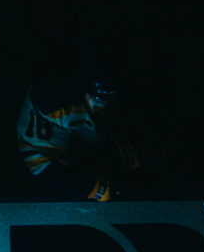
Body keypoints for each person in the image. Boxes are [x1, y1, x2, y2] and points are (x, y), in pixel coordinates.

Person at [14, 72, 142, 201]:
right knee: (104, 193)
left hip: (67, 148)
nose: (103, 106)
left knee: (130, 174)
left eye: (110, 101)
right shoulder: (61, 104)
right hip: (43, 161)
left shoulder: (98, 108)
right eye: (97, 100)